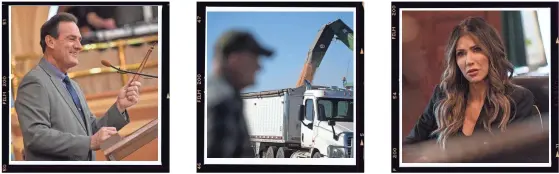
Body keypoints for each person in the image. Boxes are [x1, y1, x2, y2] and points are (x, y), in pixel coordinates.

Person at [15, 12, 142, 161]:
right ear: (50, 41)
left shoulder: (73, 86)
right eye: (71, 39)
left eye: (80, 40)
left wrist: (119, 106)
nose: (79, 46)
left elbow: (91, 130)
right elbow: (36, 136)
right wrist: (89, 142)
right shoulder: (34, 82)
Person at [403, 17, 535, 147]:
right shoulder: (443, 96)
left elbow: (517, 159)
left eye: (477, 49)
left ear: (492, 52)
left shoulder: (518, 100)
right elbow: (410, 145)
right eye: (461, 54)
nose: (468, 61)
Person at [207, 30, 273, 158]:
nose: (259, 67)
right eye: (255, 59)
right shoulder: (221, 103)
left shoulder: (226, 97)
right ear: (235, 59)